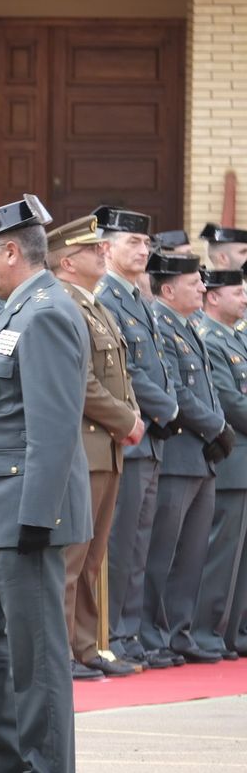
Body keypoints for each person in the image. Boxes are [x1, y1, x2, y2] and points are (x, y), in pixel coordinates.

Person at [0, 196, 89, 773]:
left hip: (25, 510)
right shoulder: (19, 308)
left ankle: (45, 765)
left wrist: (38, 514)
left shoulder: (48, 310)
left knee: (37, 656)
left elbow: (53, 426)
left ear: (10, 251)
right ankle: (10, 760)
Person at [46, 215, 144, 680]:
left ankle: (86, 646)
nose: (102, 253)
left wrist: (130, 417)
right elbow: (81, 383)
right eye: (92, 250)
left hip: (107, 448)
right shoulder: (65, 304)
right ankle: (62, 650)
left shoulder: (94, 306)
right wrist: (127, 421)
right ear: (67, 261)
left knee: (91, 558)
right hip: (85, 448)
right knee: (71, 557)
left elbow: (118, 376)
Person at [95, 205, 181, 668]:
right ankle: (113, 633)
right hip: (128, 436)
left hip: (150, 439)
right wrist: (168, 407)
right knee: (120, 543)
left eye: (146, 243)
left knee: (138, 544)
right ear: (105, 248)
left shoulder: (137, 298)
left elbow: (157, 366)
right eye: (134, 242)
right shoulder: (107, 297)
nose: (144, 249)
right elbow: (124, 371)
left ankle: (130, 634)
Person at [144, 250, 230, 665]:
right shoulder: (159, 324)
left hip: (201, 456)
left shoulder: (188, 326)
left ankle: (178, 633)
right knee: (163, 553)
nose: (201, 287)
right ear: (167, 288)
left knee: (191, 555)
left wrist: (215, 430)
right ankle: (150, 634)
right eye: (194, 282)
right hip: (179, 451)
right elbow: (175, 391)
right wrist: (216, 427)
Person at [193, 265, 247, 661]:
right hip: (232, 461)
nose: (245, 298)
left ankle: (235, 630)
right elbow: (233, 403)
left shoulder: (235, 338)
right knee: (221, 555)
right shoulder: (210, 339)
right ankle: (208, 632)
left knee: (240, 558)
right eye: (237, 293)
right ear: (213, 297)